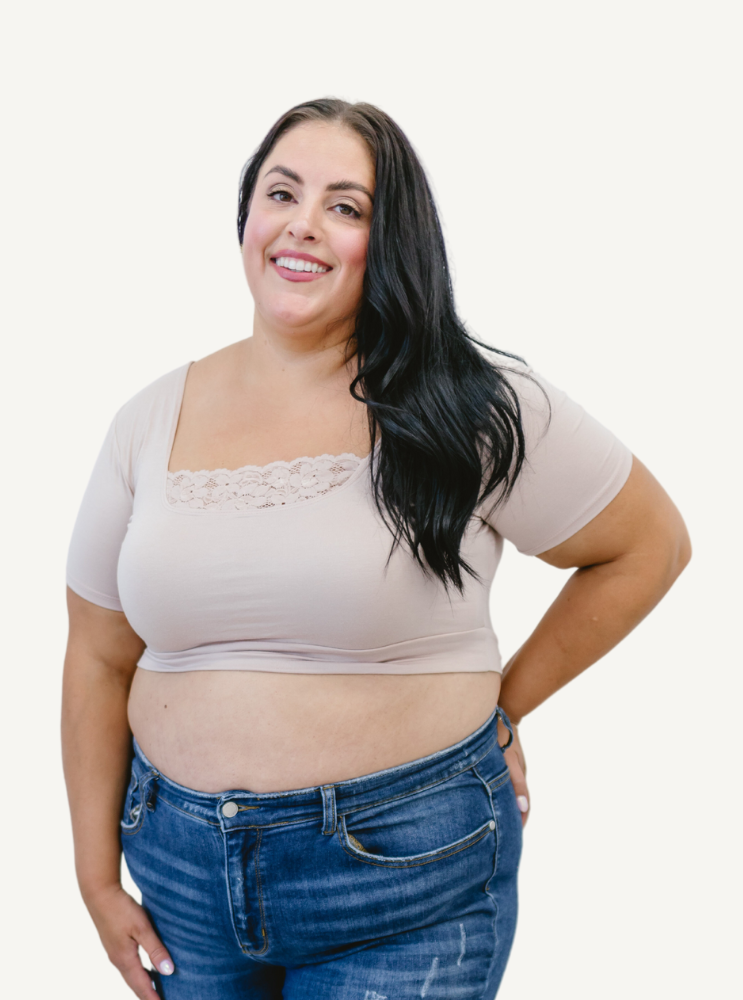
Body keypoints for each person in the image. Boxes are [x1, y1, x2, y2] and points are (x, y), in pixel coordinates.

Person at [61, 98, 690, 1000]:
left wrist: (504, 710)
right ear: (246, 216)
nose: (303, 224)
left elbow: (649, 545)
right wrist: (91, 876)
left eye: (346, 206)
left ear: (389, 241)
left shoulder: (470, 403)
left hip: (405, 874)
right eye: (282, 192)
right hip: (182, 877)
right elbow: (95, 651)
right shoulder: (148, 418)